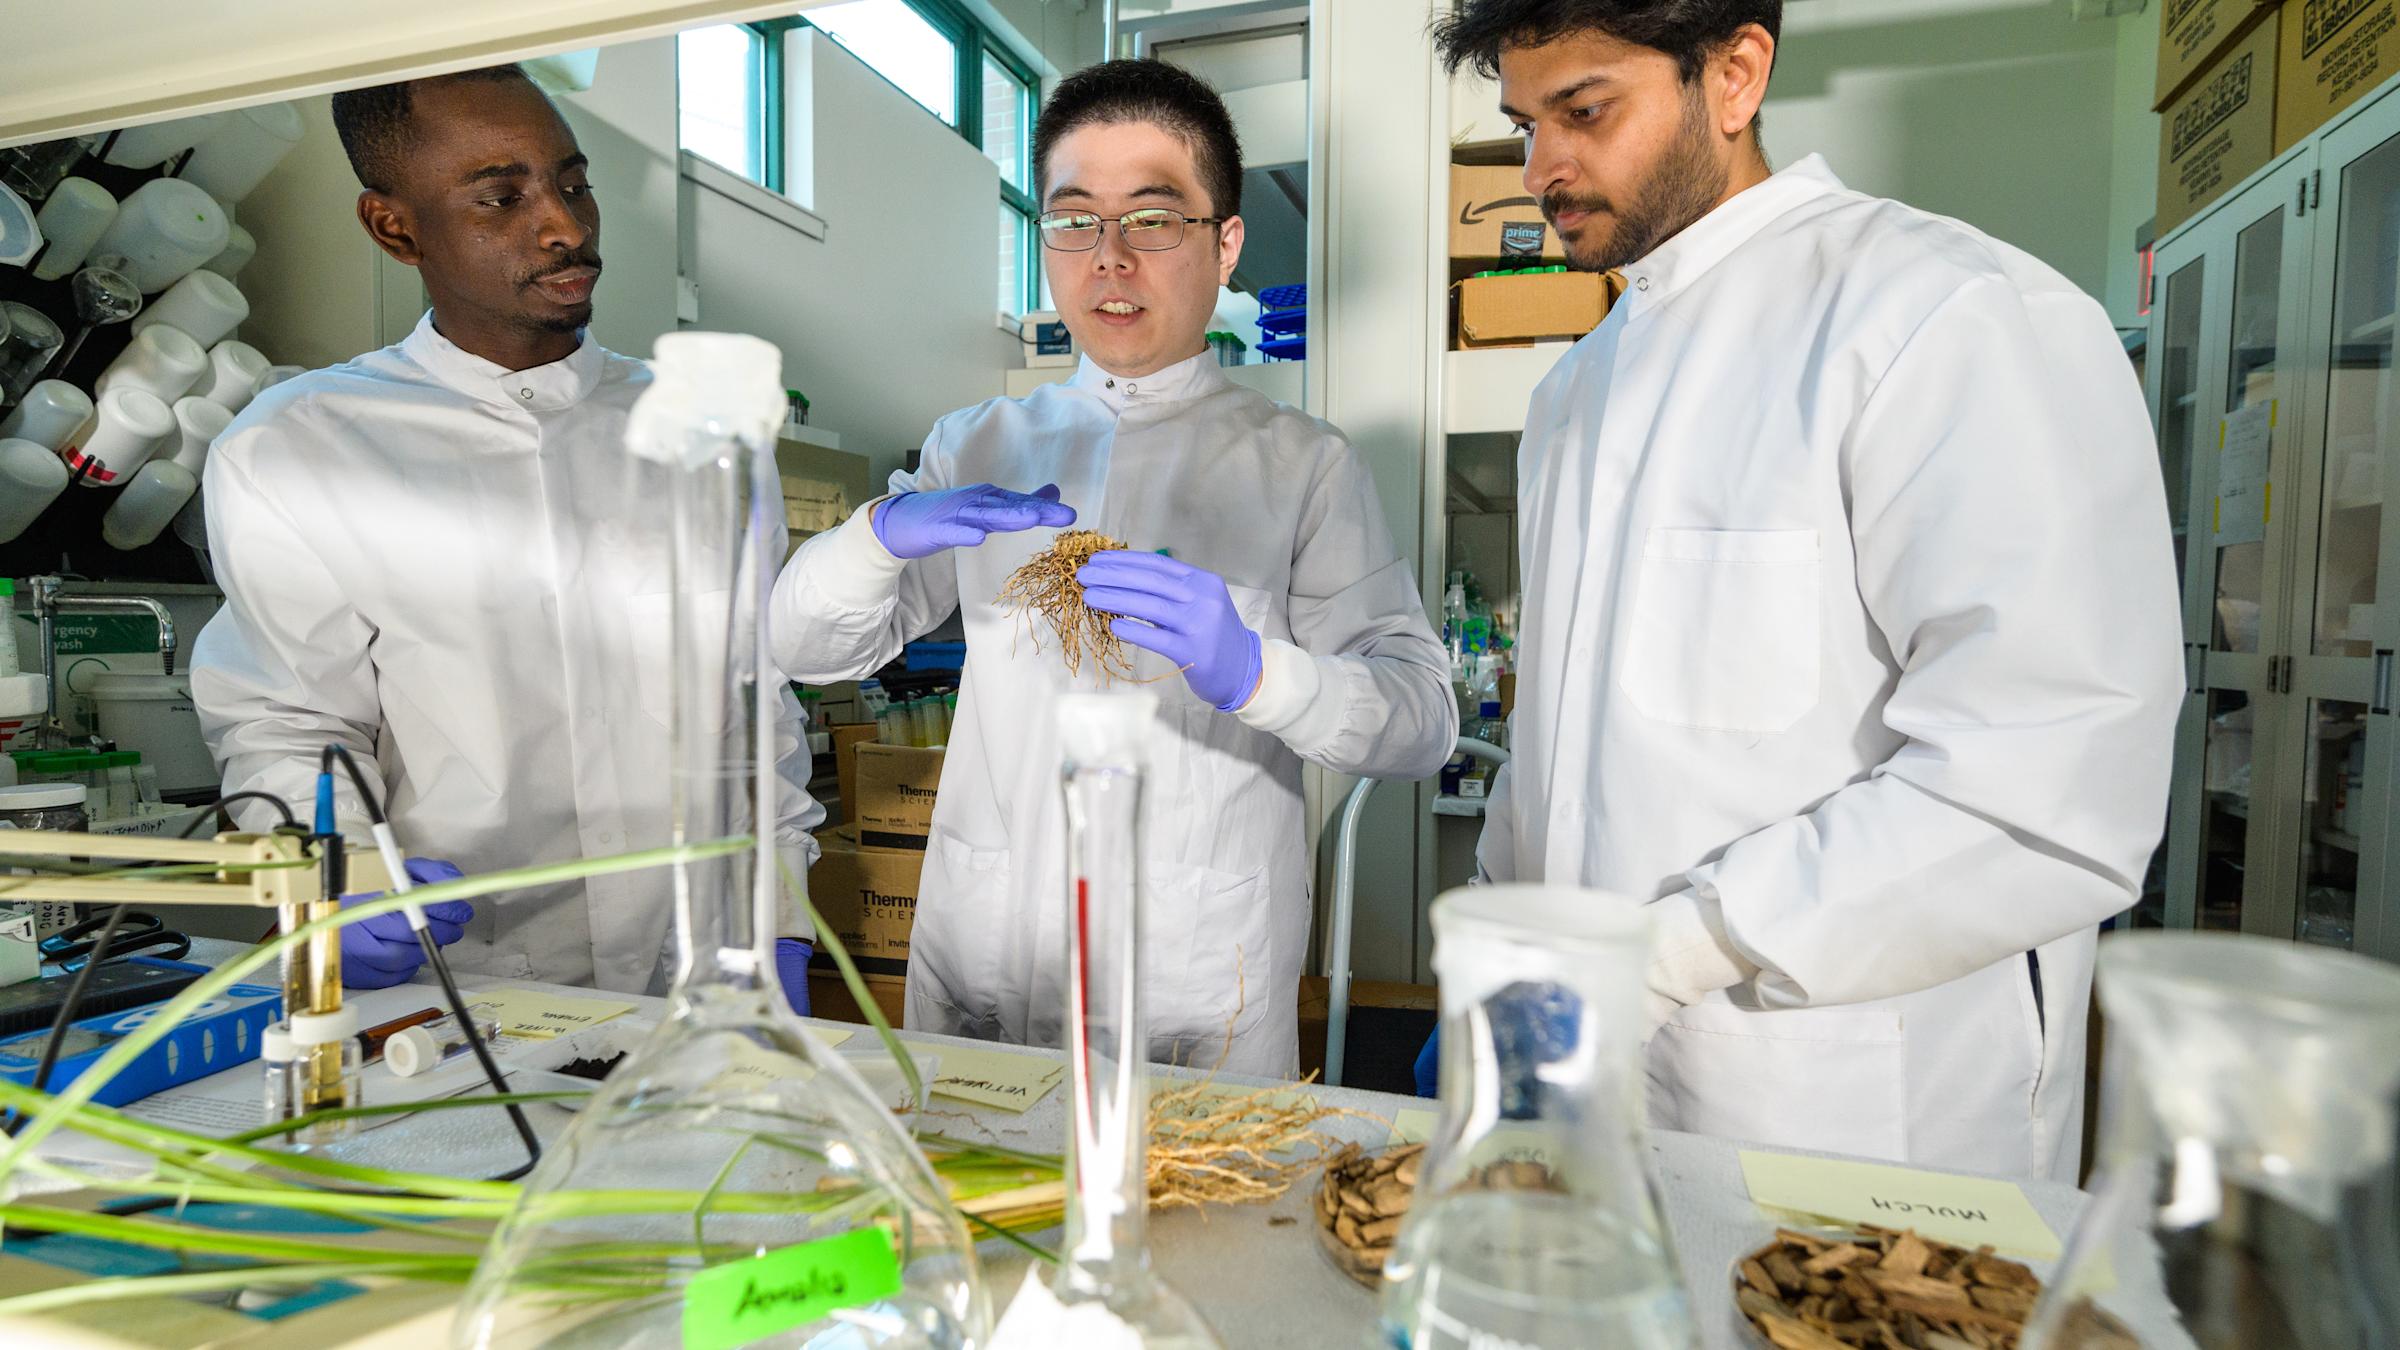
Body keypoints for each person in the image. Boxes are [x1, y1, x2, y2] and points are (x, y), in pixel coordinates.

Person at [1431, 0, 2180, 1182]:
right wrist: (1511, 944)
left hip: (1855, 1105)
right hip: (1600, 1086)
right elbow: (1566, 737)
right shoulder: (1577, 390)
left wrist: (1671, 951)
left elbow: (2047, 781)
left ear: (1734, 76)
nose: (1541, 169)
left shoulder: (1945, 316)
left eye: (1585, 112)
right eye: (1526, 123)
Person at [771, 60, 1454, 1076]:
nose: (1110, 259)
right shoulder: (978, 444)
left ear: (1226, 244)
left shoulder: (1304, 465)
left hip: (1192, 977)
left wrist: (1258, 671)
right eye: (1075, 220)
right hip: (986, 958)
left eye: (1153, 219)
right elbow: (800, 644)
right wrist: (881, 533)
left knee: (1204, 1231)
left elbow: (1423, 721)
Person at [191, 66, 824, 998]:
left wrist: (776, 928)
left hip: (694, 977)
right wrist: (341, 879)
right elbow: (289, 725)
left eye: (573, 184)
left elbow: (755, 707)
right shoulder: (299, 446)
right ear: (394, 227)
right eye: (501, 197)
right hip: (456, 997)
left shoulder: (706, 432)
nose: (564, 226)